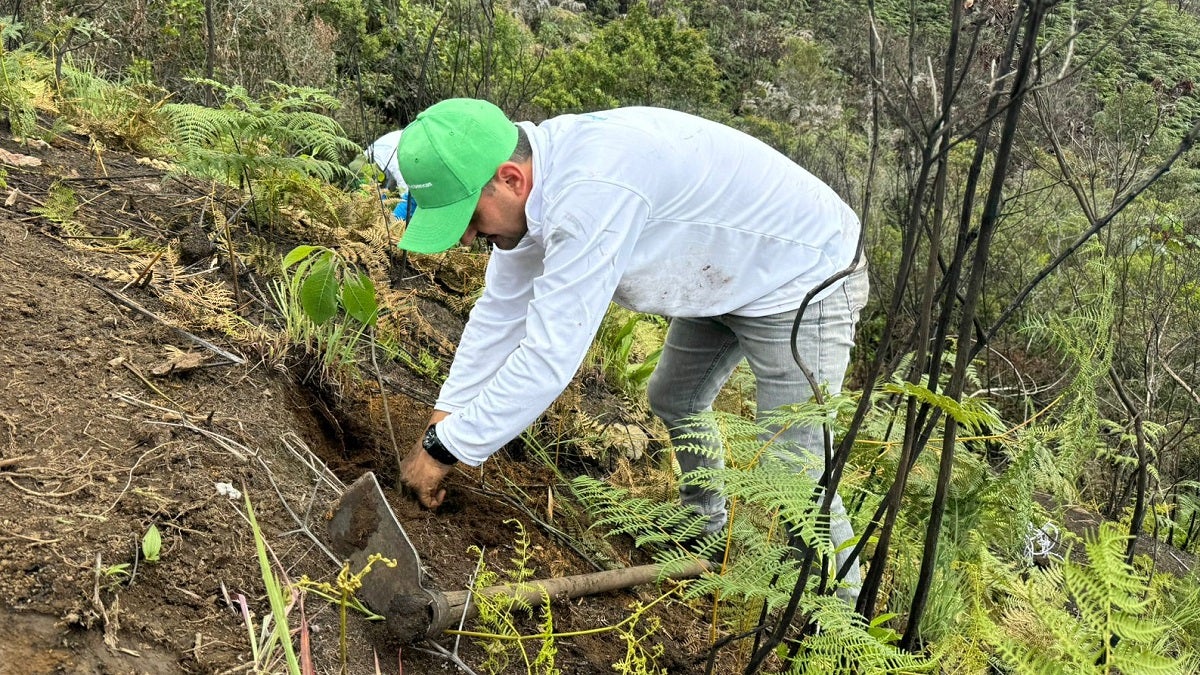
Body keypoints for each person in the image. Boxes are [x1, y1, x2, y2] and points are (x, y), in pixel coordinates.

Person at [395, 98, 867, 601]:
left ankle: (839, 627)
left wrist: (445, 450)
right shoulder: (533, 190)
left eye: (468, 216)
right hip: (724, 269)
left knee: (794, 470)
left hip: (806, 272)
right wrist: (439, 424)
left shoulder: (590, 193)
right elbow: (499, 315)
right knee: (676, 397)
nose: (467, 238)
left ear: (511, 179)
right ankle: (704, 526)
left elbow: (547, 359)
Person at [363, 130, 417, 222]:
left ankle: (385, 223)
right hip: (371, 162)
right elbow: (408, 195)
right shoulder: (401, 156)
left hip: (380, 159)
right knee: (375, 199)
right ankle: (386, 225)